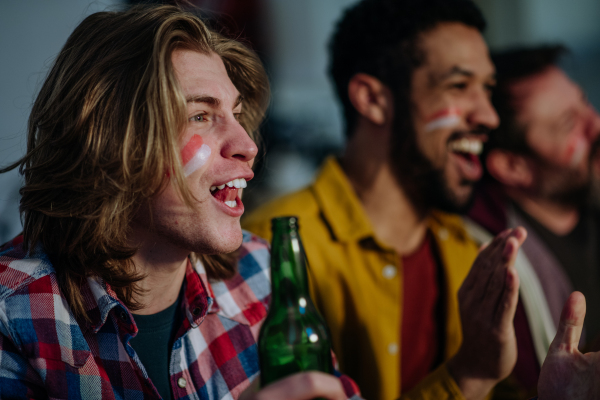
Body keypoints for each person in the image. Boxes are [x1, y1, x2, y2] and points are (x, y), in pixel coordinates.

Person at [0, 5, 362, 399]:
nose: (248, 146)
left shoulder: (259, 271)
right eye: (201, 116)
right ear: (109, 141)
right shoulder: (12, 315)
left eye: (237, 114)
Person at [244, 0, 528, 398]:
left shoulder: (467, 247)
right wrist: (469, 374)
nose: (488, 116)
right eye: (459, 86)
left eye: (487, 88)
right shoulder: (271, 249)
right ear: (373, 99)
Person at [466, 45, 600, 397]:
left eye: (584, 101)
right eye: (569, 124)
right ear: (514, 167)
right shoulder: (491, 267)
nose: (596, 122)